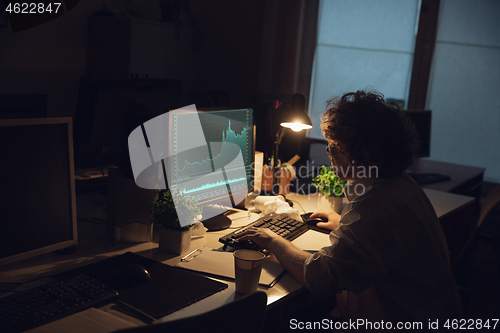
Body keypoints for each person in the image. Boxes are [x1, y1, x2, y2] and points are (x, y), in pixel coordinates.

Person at [240, 90, 462, 324]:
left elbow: (321, 278)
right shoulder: (401, 183)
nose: (329, 155)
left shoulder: (374, 208)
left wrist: (273, 239)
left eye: (335, 149)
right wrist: (343, 222)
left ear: (365, 155)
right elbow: (380, 239)